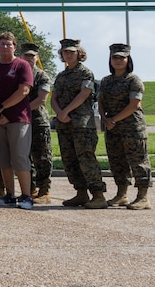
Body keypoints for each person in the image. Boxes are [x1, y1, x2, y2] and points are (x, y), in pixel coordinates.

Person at [52, 38, 107, 209]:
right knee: (69, 159)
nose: (68, 54)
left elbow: (84, 94)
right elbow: (53, 98)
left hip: (82, 123)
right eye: (65, 52)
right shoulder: (61, 76)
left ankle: (98, 195)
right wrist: (60, 113)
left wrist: (65, 111)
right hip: (64, 123)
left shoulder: (85, 73)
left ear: (79, 53)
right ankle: (81, 193)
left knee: (86, 158)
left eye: (71, 51)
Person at [98, 43, 150, 210]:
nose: (118, 60)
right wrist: (105, 119)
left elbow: (134, 104)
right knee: (117, 161)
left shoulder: (133, 80)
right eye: (115, 57)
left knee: (138, 161)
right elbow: (100, 101)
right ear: (110, 60)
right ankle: (122, 195)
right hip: (113, 128)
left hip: (132, 128)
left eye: (122, 57)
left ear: (128, 60)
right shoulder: (106, 81)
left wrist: (113, 119)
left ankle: (143, 197)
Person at [0, 32, 35, 209]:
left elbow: (24, 91)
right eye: (2, 44)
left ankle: (26, 196)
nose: (5, 47)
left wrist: (2, 108)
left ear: (15, 47)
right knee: (3, 159)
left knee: (20, 158)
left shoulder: (22, 65)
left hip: (19, 119)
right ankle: (10, 195)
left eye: (9, 44)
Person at [20, 43, 53, 204]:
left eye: (32, 56)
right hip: (21, 122)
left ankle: (44, 190)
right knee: (25, 157)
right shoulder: (19, 75)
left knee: (42, 157)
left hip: (38, 121)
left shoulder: (42, 76)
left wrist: (21, 111)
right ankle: (30, 188)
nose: (29, 59)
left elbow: (41, 99)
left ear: (37, 58)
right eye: (26, 55)